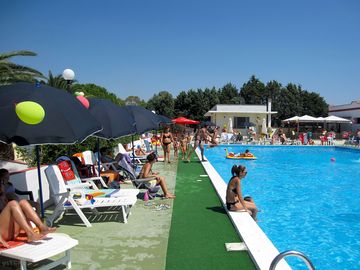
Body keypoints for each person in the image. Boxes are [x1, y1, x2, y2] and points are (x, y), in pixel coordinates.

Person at [0, 176, 56, 248]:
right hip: (3, 234)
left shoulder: (4, 196)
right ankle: (30, 234)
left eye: (2, 182)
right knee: (13, 204)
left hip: (12, 231)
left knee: (23, 202)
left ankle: (42, 228)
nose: (2, 184)